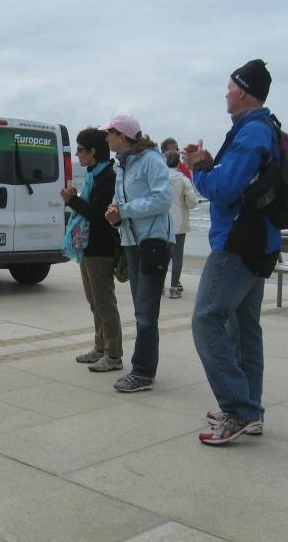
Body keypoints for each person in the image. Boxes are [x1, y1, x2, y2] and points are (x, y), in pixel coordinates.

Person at [182, 59, 281, 445]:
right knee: (244, 328)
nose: (225, 93)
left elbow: (223, 191)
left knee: (206, 319)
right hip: (261, 242)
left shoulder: (252, 132)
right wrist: (209, 163)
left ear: (242, 91)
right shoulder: (264, 128)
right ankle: (250, 411)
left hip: (238, 243)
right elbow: (241, 180)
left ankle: (239, 410)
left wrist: (197, 170)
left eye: (229, 87)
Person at [103, 114, 173, 392]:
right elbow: (121, 201)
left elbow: (163, 199)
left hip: (153, 242)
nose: (106, 138)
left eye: (109, 133)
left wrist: (125, 210)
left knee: (146, 312)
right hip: (132, 242)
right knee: (140, 308)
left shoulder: (151, 160)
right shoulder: (122, 164)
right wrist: (115, 214)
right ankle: (143, 369)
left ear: (122, 136)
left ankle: (143, 372)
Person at [61, 128, 122, 372]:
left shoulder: (107, 177)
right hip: (88, 246)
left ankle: (113, 355)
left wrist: (72, 201)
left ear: (93, 151)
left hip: (101, 247)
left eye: (80, 150)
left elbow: (97, 214)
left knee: (105, 303)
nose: (77, 155)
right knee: (94, 302)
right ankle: (100, 348)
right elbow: (88, 209)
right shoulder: (92, 175)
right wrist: (75, 199)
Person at [164, 150, 199, 299]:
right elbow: (192, 202)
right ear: (178, 163)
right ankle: (174, 288)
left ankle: (159, 286)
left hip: (162, 223)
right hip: (179, 224)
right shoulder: (183, 179)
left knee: (163, 255)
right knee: (177, 256)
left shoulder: (160, 178)